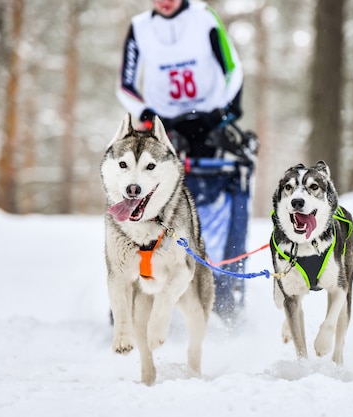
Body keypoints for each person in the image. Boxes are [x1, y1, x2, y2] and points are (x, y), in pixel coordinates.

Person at [117, 0, 254, 325]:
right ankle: (132, 290)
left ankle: (225, 291)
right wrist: (149, 114)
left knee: (230, 181)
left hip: (210, 122)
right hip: (163, 127)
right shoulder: (139, 28)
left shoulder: (205, 18)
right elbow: (125, 84)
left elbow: (233, 69)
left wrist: (221, 112)